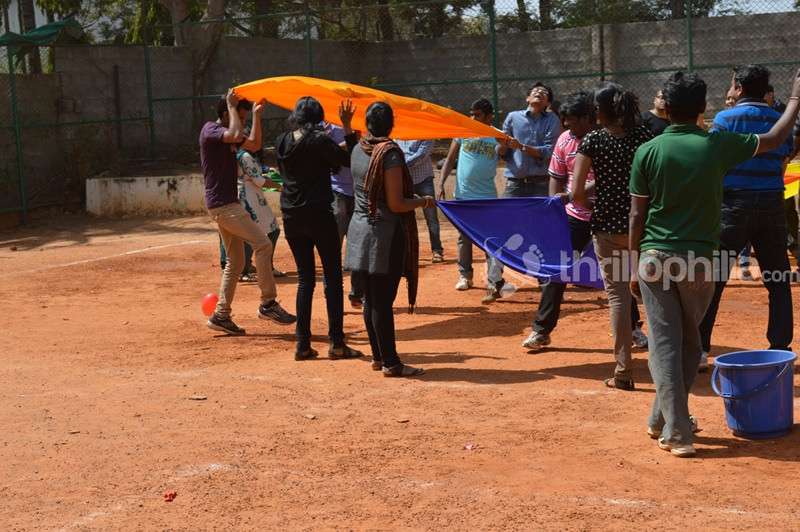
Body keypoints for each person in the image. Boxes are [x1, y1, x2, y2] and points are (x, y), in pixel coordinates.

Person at [629, 70, 800, 458]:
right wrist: (793, 98)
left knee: (668, 346)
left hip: (655, 258)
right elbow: (775, 139)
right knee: (688, 347)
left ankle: (673, 428)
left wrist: (632, 265)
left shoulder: (648, 151)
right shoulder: (717, 144)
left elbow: (637, 217)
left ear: (666, 108)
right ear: (702, 108)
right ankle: (669, 424)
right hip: (699, 263)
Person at [521, 91, 648, 351]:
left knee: (619, 276)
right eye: (564, 120)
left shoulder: (607, 139)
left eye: (573, 120)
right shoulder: (565, 141)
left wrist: (577, 196)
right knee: (557, 271)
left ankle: (633, 329)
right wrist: (555, 206)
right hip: (575, 217)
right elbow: (556, 175)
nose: (567, 125)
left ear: (591, 118)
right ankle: (541, 330)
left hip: (609, 217)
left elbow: (609, 177)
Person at [699, 65, 795, 369]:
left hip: (732, 204)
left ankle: (701, 349)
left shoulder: (725, 119)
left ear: (739, 88)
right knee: (777, 279)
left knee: (714, 280)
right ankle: (780, 348)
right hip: (771, 203)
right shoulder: (778, 119)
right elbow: (785, 154)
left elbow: (713, 156)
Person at [571, 82, 653, 391]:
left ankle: (624, 371)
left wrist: (591, 204)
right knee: (652, 295)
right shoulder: (644, 137)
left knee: (618, 297)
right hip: (643, 225)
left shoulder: (593, 140)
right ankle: (664, 364)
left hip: (606, 226)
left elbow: (577, 192)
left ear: (601, 111)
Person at [200, 91, 295, 335]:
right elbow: (233, 133)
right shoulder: (211, 130)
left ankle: (221, 314)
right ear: (226, 114)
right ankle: (268, 303)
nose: (242, 124)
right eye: (240, 118)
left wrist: (255, 116)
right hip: (224, 205)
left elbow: (254, 145)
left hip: (226, 204)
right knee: (262, 245)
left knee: (236, 260)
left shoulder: (230, 135)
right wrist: (233, 108)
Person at [276, 96, 363, 361]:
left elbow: (297, 164)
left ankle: (302, 344)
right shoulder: (320, 140)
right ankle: (337, 343)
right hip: (318, 213)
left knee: (305, 279)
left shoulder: (283, 141)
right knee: (333, 277)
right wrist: (347, 128)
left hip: (291, 214)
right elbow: (350, 161)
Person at [345, 102, 428, 378]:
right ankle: (392, 363)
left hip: (359, 231)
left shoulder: (358, 148)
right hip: (384, 235)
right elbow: (396, 203)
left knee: (371, 298)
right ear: (392, 124)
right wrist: (423, 201)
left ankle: (379, 357)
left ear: (367, 124)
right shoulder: (390, 153)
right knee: (381, 301)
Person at [438, 98, 510, 304]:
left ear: (489, 117)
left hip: (486, 197)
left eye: (477, 115)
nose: (473, 118)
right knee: (464, 238)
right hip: (462, 196)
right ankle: (465, 275)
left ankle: (493, 281)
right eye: (471, 114)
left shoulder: (496, 135)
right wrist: (442, 182)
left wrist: (504, 144)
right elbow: (451, 159)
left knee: (489, 240)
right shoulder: (464, 131)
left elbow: (502, 154)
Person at [497, 82, 562, 198]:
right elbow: (502, 153)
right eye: (535, 90)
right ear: (528, 98)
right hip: (515, 183)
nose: (539, 92)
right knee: (507, 215)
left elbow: (549, 151)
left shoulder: (553, 120)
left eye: (544, 92)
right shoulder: (512, 117)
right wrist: (502, 144)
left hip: (541, 183)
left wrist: (521, 147)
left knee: (539, 216)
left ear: (548, 103)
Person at [324, 121, 364, 307]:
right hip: (336, 192)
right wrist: (350, 141)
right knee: (333, 248)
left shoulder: (363, 123)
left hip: (358, 192)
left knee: (358, 247)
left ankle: (357, 293)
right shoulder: (328, 125)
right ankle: (331, 294)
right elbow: (324, 151)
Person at [396, 139, 444, 263]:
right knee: (404, 217)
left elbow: (422, 155)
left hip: (424, 179)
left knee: (431, 218)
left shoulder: (425, 133)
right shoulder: (399, 133)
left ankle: (437, 250)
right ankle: (406, 252)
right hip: (405, 180)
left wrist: (400, 165)